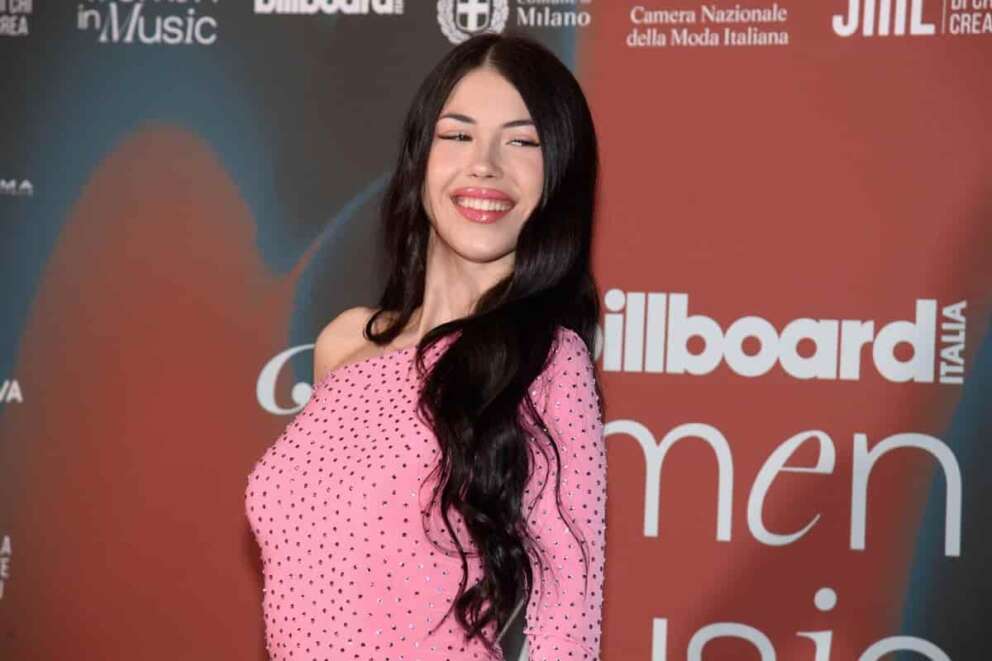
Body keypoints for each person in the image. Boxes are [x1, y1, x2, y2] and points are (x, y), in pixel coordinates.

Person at [245, 32, 607, 660]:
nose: (485, 164)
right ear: (421, 158)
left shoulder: (548, 360)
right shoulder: (345, 342)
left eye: (522, 142)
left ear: (558, 176)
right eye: (458, 135)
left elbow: (566, 620)